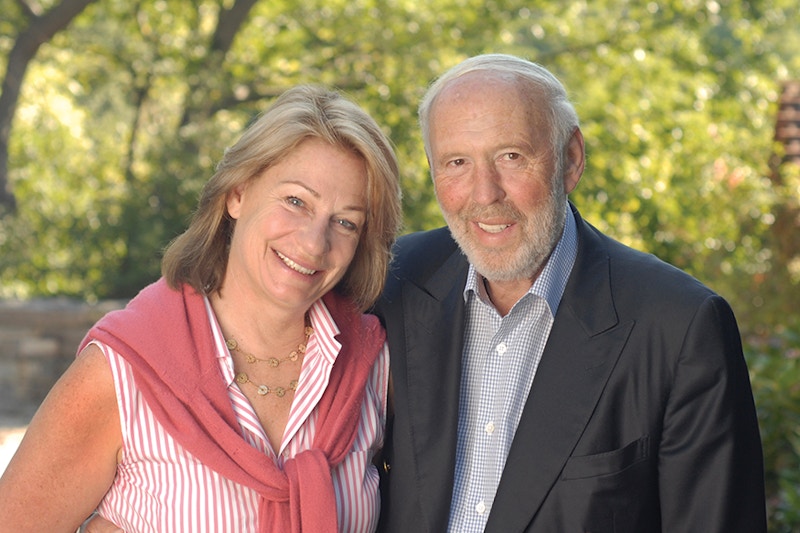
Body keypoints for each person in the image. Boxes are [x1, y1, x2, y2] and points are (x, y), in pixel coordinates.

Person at [373, 54, 767, 532]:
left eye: (511, 156)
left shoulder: (678, 327)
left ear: (571, 159)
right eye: (457, 162)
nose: (484, 192)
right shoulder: (390, 283)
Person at [0, 84, 402, 533]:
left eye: (345, 222)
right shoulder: (123, 373)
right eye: (295, 202)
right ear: (237, 194)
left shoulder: (374, 371)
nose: (313, 242)